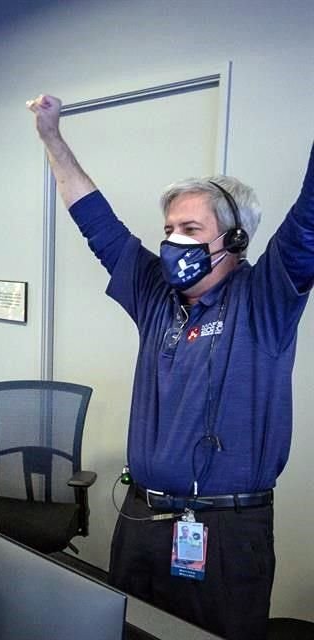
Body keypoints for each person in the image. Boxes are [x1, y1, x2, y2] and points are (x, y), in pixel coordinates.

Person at [28, 93, 314, 639]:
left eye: (189, 230)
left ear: (233, 239)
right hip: (142, 521)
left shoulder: (266, 297)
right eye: (168, 229)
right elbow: (97, 223)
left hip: (226, 531)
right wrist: (52, 140)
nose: (171, 243)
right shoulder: (155, 294)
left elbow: (308, 222)